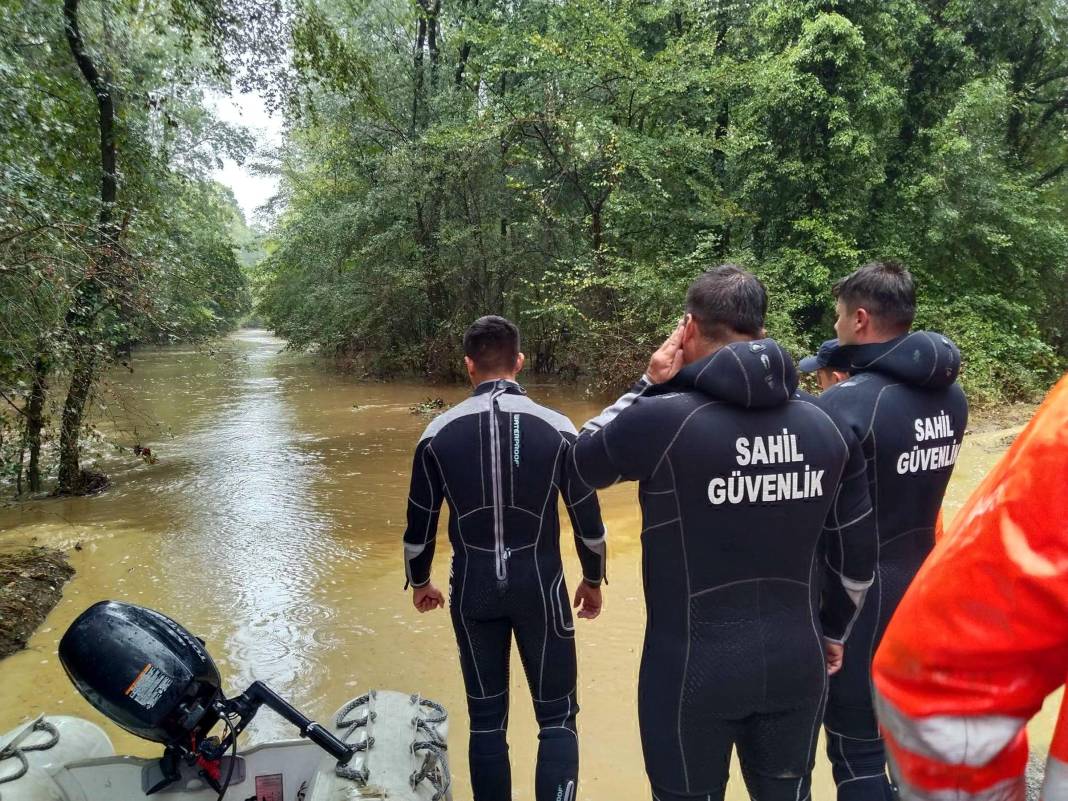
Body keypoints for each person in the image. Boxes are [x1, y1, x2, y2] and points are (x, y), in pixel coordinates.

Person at [569, 265, 877, 801]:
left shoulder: (662, 419)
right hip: (796, 659)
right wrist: (832, 633)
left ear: (688, 328)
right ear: (761, 329)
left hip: (688, 667)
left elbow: (581, 461)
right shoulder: (827, 424)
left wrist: (648, 381)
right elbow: (856, 560)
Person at [401, 315, 606, 801]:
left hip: (471, 589)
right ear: (519, 361)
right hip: (542, 587)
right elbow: (589, 523)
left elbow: (418, 525)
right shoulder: (558, 427)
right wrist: (593, 580)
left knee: (487, 720)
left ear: (469, 365)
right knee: (558, 717)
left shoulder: (436, 433)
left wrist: (420, 581)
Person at [873, 375, 1068, 801]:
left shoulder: (844, 414)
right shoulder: (953, 401)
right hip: (926, 565)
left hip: (900, 594)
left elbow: (940, 683)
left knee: (854, 744)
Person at [815, 261, 968, 801]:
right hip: (927, 587)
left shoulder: (846, 404)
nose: (836, 329)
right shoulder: (952, 398)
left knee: (855, 750)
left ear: (860, 319)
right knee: (908, 739)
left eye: (838, 318)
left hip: (862, 597)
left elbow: (822, 514)